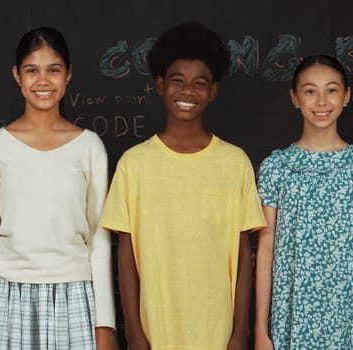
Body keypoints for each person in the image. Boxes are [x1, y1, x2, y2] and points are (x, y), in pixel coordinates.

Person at [99, 22, 266, 350]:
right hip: (155, 331)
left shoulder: (235, 163)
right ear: (160, 85)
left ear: (214, 91)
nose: (188, 92)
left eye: (199, 83)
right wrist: (134, 333)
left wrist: (239, 332)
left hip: (217, 332)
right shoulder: (135, 164)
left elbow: (244, 253)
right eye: (178, 81)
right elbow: (125, 255)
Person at [0, 26, 115, 350]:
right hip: (8, 295)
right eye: (32, 70)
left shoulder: (90, 147)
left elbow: (99, 239)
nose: (43, 80)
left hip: (74, 295)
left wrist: (105, 324)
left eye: (53, 70)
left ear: (69, 74)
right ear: (17, 76)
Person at [254, 54, 353, 350]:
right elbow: (266, 251)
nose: (321, 101)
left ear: (346, 96)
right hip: (290, 320)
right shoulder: (277, 167)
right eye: (309, 91)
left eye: (331, 90)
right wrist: (259, 330)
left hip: (351, 320)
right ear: (294, 98)